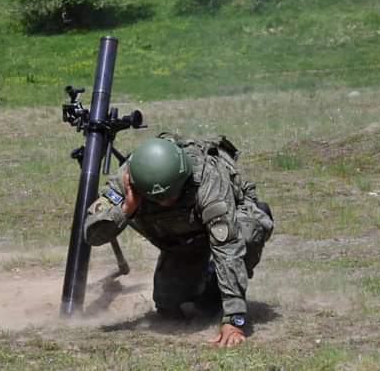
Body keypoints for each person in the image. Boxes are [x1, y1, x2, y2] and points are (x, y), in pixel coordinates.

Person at [84, 133, 274, 347]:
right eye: (157, 198)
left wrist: (234, 319)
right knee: (170, 307)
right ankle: (202, 274)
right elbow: (92, 235)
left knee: (246, 233)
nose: (165, 202)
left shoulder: (206, 177)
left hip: (228, 223)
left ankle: (216, 285)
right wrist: (127, 208)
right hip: (185, 239)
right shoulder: (127, 179)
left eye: (171, 195)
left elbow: (228, 246)